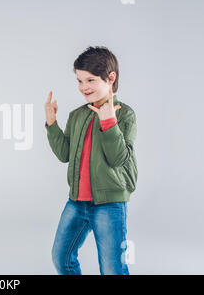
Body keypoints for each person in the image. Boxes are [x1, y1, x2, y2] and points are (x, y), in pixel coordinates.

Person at [44, 46, 137, 275]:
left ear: (110, 78)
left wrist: (109, 124)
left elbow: (119, 160)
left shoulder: (124, 114)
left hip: (109, 204)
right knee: (61, 257)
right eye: (79, 80)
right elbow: (64, 154)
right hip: (77, 202)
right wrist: (52, 123)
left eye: (90, 80)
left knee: (112, 268)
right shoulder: (78, 115)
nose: (83, 87)